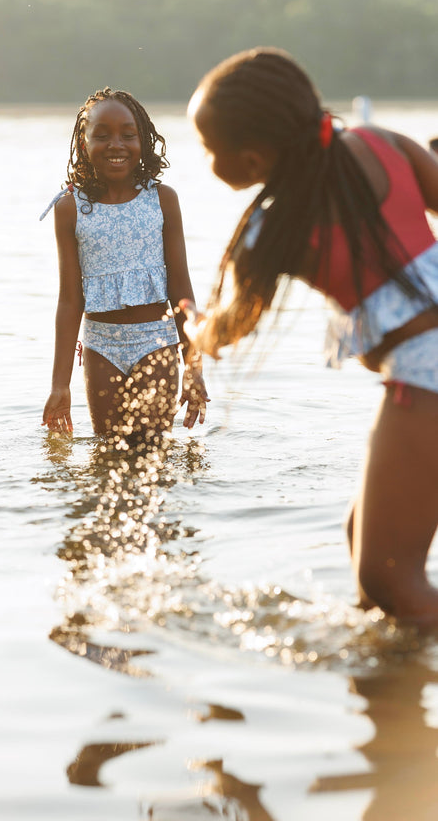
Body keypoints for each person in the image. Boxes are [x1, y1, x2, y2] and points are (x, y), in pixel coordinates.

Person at [182, 48, 438, 626]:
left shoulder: (275, 224)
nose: (204, 159)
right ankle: (392, 702)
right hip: (424, 373)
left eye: (206, 148)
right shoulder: (383, 143)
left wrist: (197, 329)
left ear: (249, 157)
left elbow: (230, 327)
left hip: (425, 377)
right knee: (363, 541)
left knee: (390, 578)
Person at [41, 87, 208, 440]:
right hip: (101, 345)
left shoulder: (163, 200)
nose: (115, 145)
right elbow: (69, 300)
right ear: (84, 144)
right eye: (102, 136)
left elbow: (182, 290)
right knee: (108, 454)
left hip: (157, 343)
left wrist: (194, 367)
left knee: (152, 454)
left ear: (143, 142)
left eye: (127, 135)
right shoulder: (70, 208)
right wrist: (60, 386)